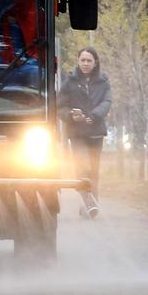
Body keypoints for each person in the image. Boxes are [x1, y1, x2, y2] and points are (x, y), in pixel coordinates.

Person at [59, 47, 112, 218]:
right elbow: (60, 107)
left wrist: (96, 115)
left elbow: (107, 101)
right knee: (83, 168)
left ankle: (89, 205)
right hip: (77, 133)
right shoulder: (70, 82)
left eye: (89, 60)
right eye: (83, 60)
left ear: (95, 62)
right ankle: (90, 204)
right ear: (78, 61)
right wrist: (71, 116)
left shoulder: (103, 81)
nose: (86, 63)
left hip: (96, 131)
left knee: (94, 171)